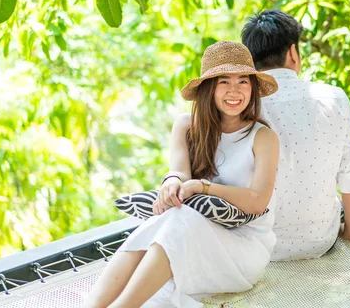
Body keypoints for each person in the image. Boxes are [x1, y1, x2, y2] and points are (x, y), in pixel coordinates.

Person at [83, 41, 280, 308]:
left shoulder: (263, 137)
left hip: (242, 247)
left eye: (243, 82)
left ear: (252, 88)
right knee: (171, 216)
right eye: (224, 82)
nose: (235, 91)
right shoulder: (187, 126)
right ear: (209, 88)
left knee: (180, 217)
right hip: (194, 231)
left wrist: (203, 187)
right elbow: (178, 173)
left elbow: (258, 201)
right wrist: (173, 181)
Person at [241, 9, 350, 260]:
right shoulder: (334, 97)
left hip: (257, 246)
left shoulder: (241, 105)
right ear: (292, 53)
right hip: (321, 241)